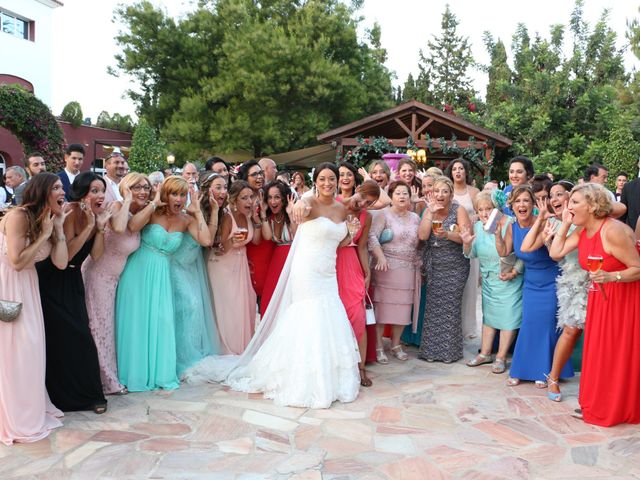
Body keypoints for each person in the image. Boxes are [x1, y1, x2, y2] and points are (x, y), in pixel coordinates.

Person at [183, 162, 360, 409]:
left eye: (332, 179)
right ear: (315, 181)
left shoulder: (341, 209)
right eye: (322, 179)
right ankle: (302, 376)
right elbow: (299, 208)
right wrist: (297, 206)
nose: (328, 183)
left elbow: (339, 242)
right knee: (309, 316)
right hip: (307, 271)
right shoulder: (307, 202)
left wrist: (350, 234)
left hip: (327, 272)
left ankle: (330, 377)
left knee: (329, 314)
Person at [550, 183, 640, 426]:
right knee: (599, 352)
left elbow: (637, 268)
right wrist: (566, 224)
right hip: (600, 297)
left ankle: (617, 406)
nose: (569, 206)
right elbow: (555, 252)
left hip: (623, 299)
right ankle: (599, 401)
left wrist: (613, 277)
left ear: (591, 206)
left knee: (615, 353)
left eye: (575, 202)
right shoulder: (582, 230)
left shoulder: (612, 231)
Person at [115, 176, 213, 392]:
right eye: (174, 194)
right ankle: (134, 374)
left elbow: (206, 240)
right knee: (137, 322)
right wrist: (154, 202)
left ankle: (158, 373)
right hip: (137, 272)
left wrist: (197, 212)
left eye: (183, 195)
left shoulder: (186, 220)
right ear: (165, 195)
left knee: (162, 322)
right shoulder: (154, 213)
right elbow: (132, 225)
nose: (179, 199)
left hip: (162, 276)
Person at [0, 173, 67, 445]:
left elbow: (61, 263)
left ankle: (30, 408)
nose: (63, 192)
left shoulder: (49, 220)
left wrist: (59, 230)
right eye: (57, 187)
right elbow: (17, 262)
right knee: (16, 352)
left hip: (29, 287)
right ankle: (15, 415)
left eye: (63, 187)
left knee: (33, 351)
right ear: (42, 192)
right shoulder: (19, 216)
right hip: (8, 288)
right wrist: (45, 236)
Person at [37, 172, 110, 413]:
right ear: (82, 193)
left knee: (80, 334)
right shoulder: (68, 211)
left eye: (102, 190)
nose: (100, 196)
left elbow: (97, 256)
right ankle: (61, 397)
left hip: (73, 279)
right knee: (62, 337)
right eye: (95, 191)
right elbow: (66, 254)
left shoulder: (97, 215)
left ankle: (90, 394)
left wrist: (98, 228)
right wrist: (88, 226)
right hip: (53, 279)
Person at [495, 185, 573, 387]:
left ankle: (544, 371)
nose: (522, 205)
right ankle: (521, 369)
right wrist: (497, 235)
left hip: (550, 282)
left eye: (526, 201)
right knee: (528, 325)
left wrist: (540, 220)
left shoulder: (546, 223)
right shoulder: (512, 227)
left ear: (533, 205)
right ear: (512, 205)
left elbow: (527, 247)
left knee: (546, 326)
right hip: (530, 283)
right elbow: (505, 253)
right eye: (518, 201)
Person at [81, 173, 151, 395]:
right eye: (136, 186)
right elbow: (120, 228)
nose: (142, 190)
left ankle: (107, 377)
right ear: (125, 188)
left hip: (114, 280)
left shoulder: (139, 214)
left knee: (106, 329)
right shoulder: (116, 205)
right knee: (98, 328)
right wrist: (127, 199)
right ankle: (105, 381)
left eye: (146, 187)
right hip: (97, 275)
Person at [461, 191, 523, 374]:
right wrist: (465, 244)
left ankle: (501, 357)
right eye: (480, 210)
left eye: (488, 208)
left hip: (509, 278)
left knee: (508, 319)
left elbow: (522, 254)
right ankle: (485, 353)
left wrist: (515, 271)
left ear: (497, 209)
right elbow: (471, 254)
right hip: (489, 279)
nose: (484, 213)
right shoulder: (479, 227)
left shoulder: (510, 224)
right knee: (489, 317)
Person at [540, 180, 589, 401]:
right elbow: (556, 255)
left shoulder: (586, 219)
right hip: (574, 282)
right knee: (571, 331)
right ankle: (553, 377)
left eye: (560, 194)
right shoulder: (554, 224)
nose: (555, 199)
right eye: (552, 196)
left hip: (596, 279)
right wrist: (549, 241)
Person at [172, 174, 221, 377]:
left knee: (193, 310)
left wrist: (212, 211)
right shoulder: (180, 213)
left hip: (190, 268)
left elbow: (207, 238)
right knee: (188, 306)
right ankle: (181, 355)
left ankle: (190, 351)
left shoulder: (196, 212)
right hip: (175, 266)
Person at [418, 176, 471, 363]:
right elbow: (423, 235)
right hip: (435, 265)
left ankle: (449, 353)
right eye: (437, 191)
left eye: (445, 191)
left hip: (456, 266)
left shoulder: (459, 210)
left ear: (451, 195)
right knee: (433, 308)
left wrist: (447, 234)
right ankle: (430, 352)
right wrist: (430, 214)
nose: (440, 195)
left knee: (451, 308)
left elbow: (466, 237)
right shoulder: (429, 210)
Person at [369, 181, 420, 363]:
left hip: (408, 268)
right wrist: (380, 257)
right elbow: (372, 236)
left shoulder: (415, 217)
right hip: (386, 267)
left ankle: (396, 344)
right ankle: (378, 346)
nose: (402, 196)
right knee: (383, 309)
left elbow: (419, 241)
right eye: (398, 193)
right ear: (391, 196)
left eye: (405, 193)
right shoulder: (384, 214)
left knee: (403, 309)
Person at [207, 180, 261, 354]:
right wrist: (232, 240)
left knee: (244, 306)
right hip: (222, 266)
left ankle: (243, 347)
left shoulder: (248, 216)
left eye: (251, 197)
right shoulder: (227, 216)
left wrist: (257, 219)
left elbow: (257, 240)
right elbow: (221, 249)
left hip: (240, 266)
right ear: (235, 200)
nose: (249, 201)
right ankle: (226, 349)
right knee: (228, 309)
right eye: (244, 198)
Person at [337, 180, 380, 385]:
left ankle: (360, 367)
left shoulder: (367, 217)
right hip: (332, 263)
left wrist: (367, 271)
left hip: (353, 264)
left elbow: (362, 247)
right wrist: (348, 234)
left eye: (369, 203)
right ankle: (337, 365)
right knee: (335, 316)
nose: (363, 204)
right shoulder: (335, 205)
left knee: (358, 315)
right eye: (362, 198)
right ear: (358, 189)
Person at [447, 158, 480, 339]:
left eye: (461, 168)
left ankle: (468, 327)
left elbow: (483, 210)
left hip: (469, 240)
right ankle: (452, 325)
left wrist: (474, 217)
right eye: (454, 169)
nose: (458, 171)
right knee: (453, 285)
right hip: (450, 241)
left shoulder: (474, 191)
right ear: (451, 172)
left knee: (469, 284)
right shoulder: (447, 191)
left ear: (466, 171)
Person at [259, 180, 297, 314]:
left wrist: (291, 215)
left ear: (284, 199)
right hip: (277, 260)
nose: (273, 201)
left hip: (293, 259)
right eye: (269, 197)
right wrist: (263, 214)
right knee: (270, 298)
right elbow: (268, 237)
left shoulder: (292, 212)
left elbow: (298, 235)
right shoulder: (269, 217)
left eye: (277, 197)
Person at [239, 160, 274, 299]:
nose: (259, 177)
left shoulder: (268, 196)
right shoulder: (241, 201)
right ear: (245, 179)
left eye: (260, 173)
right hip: (251, 249)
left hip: (270, 246)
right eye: (254, 174)